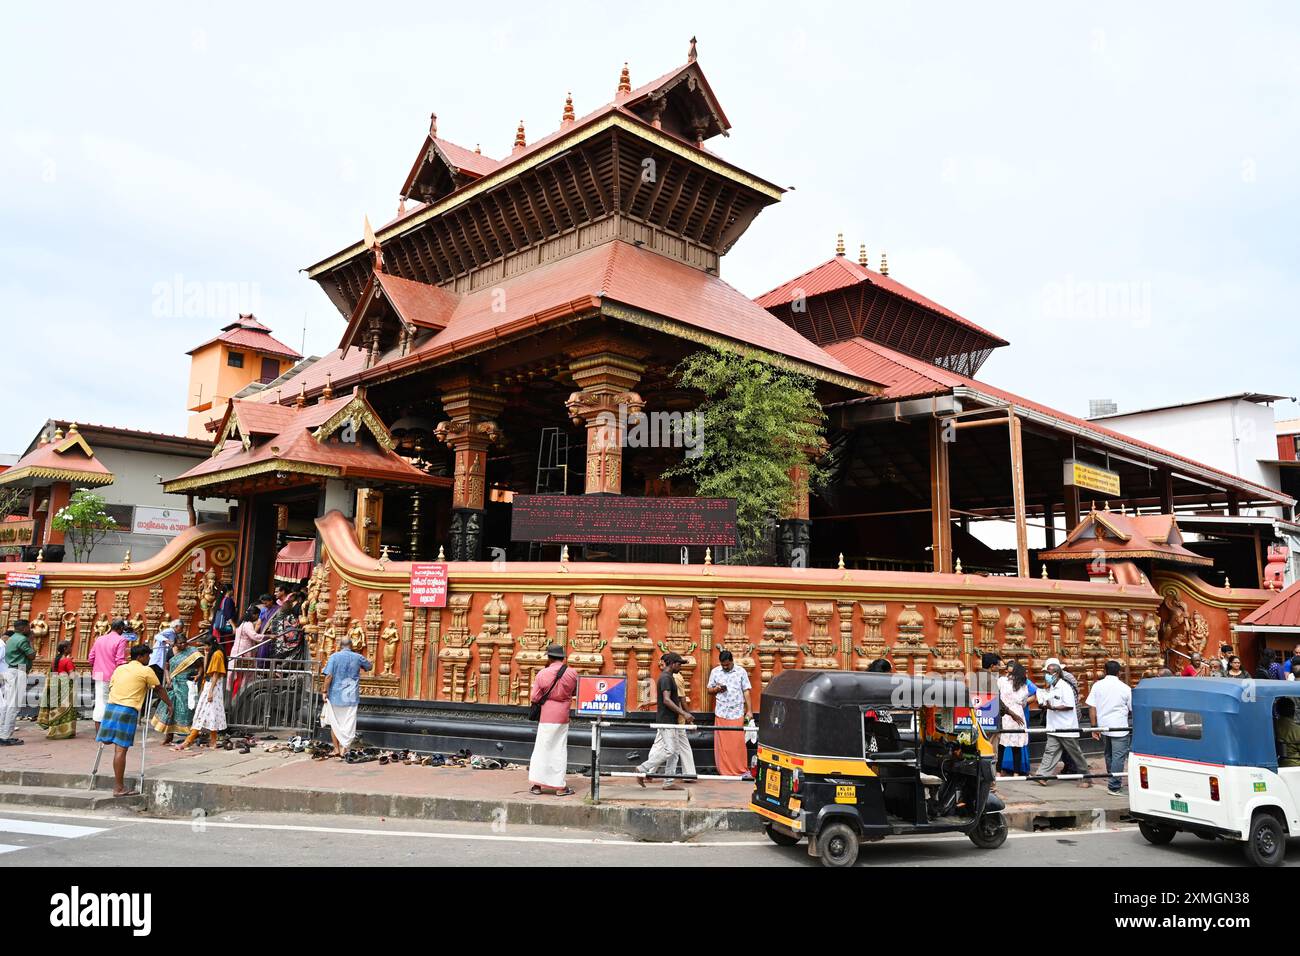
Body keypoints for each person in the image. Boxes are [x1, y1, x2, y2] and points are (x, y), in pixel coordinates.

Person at [96, 643, 163, 796]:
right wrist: (170, 705)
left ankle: (118, 784)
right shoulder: (146, 670)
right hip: (127, 710)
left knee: (109, 743)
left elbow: (111, 687)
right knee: (121, 750)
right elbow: (159, 688)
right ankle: (118, 787)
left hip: (111, 708)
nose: (148, 658)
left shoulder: (119, 668)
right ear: (140, 656)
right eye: (147, 656)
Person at [635, 652, 694, 790]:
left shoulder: (669, 677)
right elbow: (667, 700)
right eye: (679, 664)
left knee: (675, 752)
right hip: (666, 720)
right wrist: (684, 713)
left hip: (670, 720)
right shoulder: (666, 678)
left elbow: (667, 700)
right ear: (672, 664)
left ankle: (668, 782)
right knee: (670, 750)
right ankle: (642, 768)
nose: (680, 667)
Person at [526, 644, 579, 795]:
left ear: (549, 657)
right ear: (563, 658)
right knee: (559, 750)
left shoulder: (542, 674)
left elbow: (535, 697)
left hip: (546, 715)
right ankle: (559, 787)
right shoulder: (572, 673)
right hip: (562, 714)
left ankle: (537, 785)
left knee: (542, 749)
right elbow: (576, 690)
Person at [1034, 658, 1091, 788]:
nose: (1046, 676)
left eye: (1048, 673)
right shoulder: (1053, 686)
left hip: (1066, 726)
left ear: (1056, 673)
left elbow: (1069, 705)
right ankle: (1043, 775)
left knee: (1075, 753)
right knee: (1050, 751)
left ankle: (1087, 778)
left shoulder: (1065, 686)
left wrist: (1052, 708)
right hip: (1054, 725)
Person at [320, 636, 373, 756]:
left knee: (335, 723)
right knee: (348, 723)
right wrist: (370, 661)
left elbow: (328, 676)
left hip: (335, 695)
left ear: (340, 646)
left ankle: (336, 749)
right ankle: (345, 749)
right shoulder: (358, 657)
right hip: (351, 696)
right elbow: (369, 667)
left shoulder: (334, 657)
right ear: (352, 645)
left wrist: (324, 691)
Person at [1086, 660, 1133, 794]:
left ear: (1105, 671)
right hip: (1119, 726)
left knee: (1109, 754)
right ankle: (1114, 785)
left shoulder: (1097, 685)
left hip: (1103, 726)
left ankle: (1111, 778)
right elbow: (1131, 708)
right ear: (1119, 672)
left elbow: (1092, 706)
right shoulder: (1125, 688)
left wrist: (1094, 727)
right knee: (1119, 756)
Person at [150, 632, 203, 745]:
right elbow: (167, 666)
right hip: (173, 684)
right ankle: (169, 736)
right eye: (180, 643)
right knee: (170, 708)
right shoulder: (171, 651)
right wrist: (168, 679)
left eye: (185, 642)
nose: (183, 645)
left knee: (187, 709)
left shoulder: (192, 652)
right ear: (175, 643)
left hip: (187, 685)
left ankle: (190, 736)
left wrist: (198, 675)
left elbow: (200, 666)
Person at [706, 650, 753, 777]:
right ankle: (724, 771)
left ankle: (741, 769)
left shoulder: (741, 672)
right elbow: (709, 689)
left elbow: (746, 691)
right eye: (723, 665)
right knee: (723, 746)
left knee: (738, 744)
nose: (725, 667)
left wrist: (749, 711)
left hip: (737, 712)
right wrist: (716, 689)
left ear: (732, 661)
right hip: (721, 712)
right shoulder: (715, 671)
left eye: (727, 665)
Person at [176, 635, 227, 750]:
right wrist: (206, 655)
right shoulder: (212, 653)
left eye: (206, 645)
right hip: (209, 685)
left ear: (211, 645)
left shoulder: (218, 654)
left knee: (204, 712)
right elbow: (206, 671)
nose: (205, 647)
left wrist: (210, 692)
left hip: (213, 686)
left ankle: (189, 740)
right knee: (210, 712)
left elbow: (215, 674)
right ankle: (213, 741)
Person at [87, 619, 129, 733]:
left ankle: (99, 730)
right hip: (112, 674)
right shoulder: (121, 639)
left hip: (99, 674)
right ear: (120, 628)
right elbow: (120, 660)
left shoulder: (100, 639)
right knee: (112, 702)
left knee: (100, 701)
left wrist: (98, 665)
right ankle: (108, 730)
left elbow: (91, 658)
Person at [0, 619, 35, 745]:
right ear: (24, 628)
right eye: (28, 627)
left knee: (7, 704)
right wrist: (31, 641)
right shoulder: (22, 639)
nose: (30, 629)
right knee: (14, 705)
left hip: (11, 670)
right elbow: (31, 655)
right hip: (19, 671)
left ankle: (2, 732)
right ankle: (5, 736)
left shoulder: (12, 638)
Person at [37, 641, 78, 740]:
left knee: (55, 709)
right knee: (66, 709)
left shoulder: (54, 660)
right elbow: (72, 676)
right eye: (69, 647)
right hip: (65, 686)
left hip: (55, 685)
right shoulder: (67, 661)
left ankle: (53, 731)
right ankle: (65, 732)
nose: (71, 649)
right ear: (65, 649)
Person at [997, 662, 1031, 776]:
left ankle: (999, 771)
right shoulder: (1023, 685)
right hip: (1011, 713)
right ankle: (1014, 772)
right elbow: (1023, 702)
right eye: (1007, 672)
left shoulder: (1003, 681)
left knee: (1005, 744)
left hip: (1008, 713)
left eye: (1010, 672)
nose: (1008, 675)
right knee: (1010, 744)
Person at [1276, 698, 1300, 768]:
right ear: (1293, 711)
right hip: (1295, 766)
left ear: (1277, 711)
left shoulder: (1272, 726)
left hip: (1279, 764)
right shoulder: (1297, 730)